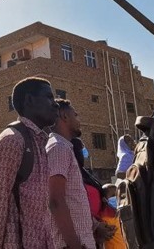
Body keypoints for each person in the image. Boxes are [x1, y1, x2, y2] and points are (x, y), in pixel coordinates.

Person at [0, 77, 59, 249]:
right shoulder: (12, 141)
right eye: (49, 97)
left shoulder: (40, 142)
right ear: (29, 100)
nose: (55, 104)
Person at [47, 99, 96, 249]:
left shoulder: (64, 147)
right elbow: (55, 201)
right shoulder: (58, 147)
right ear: (65, 116)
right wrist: (74, 244)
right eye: (75, 115)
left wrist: (94, 227)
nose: (78, 120)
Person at [71, 138, 122, 249]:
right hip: (86, 231)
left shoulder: (83, 173)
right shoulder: (71, 178)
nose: (84, 151)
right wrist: (96, 226)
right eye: (81, 148)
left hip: (100, 229)